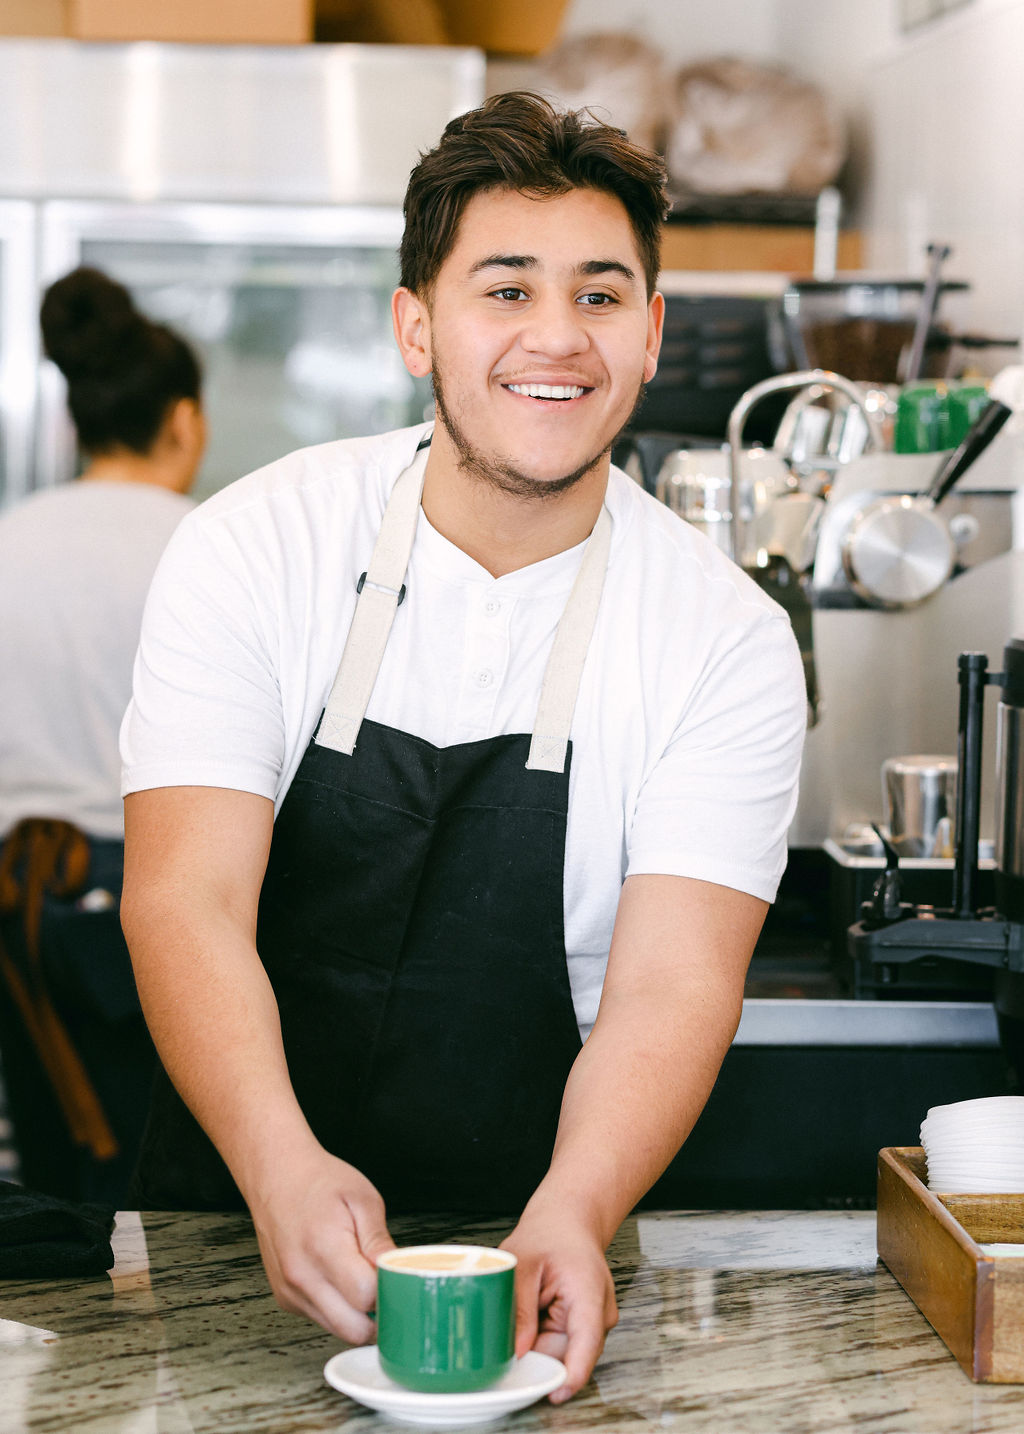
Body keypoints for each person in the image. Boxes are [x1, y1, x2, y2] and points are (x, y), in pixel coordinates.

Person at [119, 93, 805, 1401]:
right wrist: (277, 1165)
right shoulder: (257, 546)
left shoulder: (723, 637)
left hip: (539, 1249)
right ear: (415, 326)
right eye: (506, 289)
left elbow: (671, 986)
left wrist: (576, 1208)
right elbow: (184, 896)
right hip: (232, 1216)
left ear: (652, 333)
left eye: (600, 295)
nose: (558, 336)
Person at [0, 266, 205, 1204]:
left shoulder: (12, 543)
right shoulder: (210, 547)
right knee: (176, 1187)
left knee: (54, 1193)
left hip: (21, 914)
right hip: (173, 904)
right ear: (184, 421)